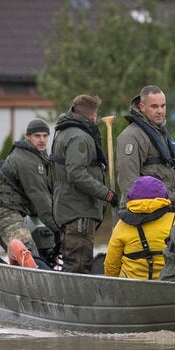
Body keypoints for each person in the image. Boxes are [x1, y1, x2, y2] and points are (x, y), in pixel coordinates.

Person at [51, 94, 118, 274]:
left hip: (69, 209)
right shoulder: (80, 138)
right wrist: (107, 194)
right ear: (93, 116)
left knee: (74, 262)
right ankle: (71, 302)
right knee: (78, 266)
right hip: (78, 212)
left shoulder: (63, 132)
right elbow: (76, 173)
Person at [0, 118, 57, 269]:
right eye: (37, 136)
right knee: (31, 258)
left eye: (45, 136)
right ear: (28, 137)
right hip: (3, 212)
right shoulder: (27, 161)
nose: (42, 140)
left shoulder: (35, 156)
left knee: (22, 262)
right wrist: (59, 230)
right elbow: (41, 200)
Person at [116, 85, 175, 207]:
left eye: (163, 106)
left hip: (167, 210)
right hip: (146, 215)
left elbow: (170, 173)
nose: (160, 111)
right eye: (154, 106)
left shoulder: (160, 133)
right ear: (142, 107)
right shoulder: (131, 137)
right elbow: (129, 184)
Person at [104, 176, 175, 279]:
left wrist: (114, 284)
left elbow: (111, 263)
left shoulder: (122, 225)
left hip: (129, 288)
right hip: (167, 287)